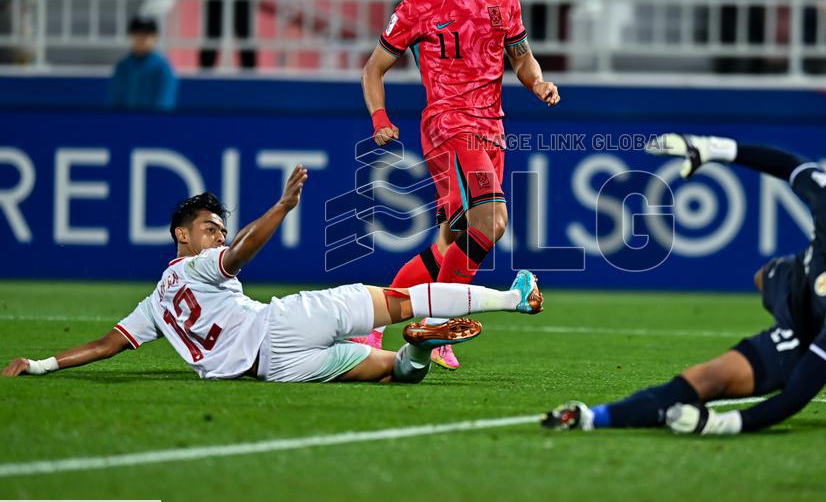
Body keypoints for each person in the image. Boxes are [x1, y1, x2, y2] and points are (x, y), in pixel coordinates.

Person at [2, 166, 544, 383]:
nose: (216, 233)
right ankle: (512, 299)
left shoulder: (154, 307)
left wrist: (41, 364)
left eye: (218, 227)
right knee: (402, 301)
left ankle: (421, 350)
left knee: (392, 371)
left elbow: (104, 345)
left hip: (272, 370)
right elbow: (240, 254)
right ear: (182, 237)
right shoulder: (196, 266)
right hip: (283, 325)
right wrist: (283, 206)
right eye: (207, 227)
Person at [542, 132, 826, 435]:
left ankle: (591, 418)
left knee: (707, 378)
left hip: (805, 335)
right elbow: (790, 165)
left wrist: (726, 424)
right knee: (763, 277)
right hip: (795, 282)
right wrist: (712, 149)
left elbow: (796, 395)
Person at [355, 0, 560, 370]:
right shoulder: (418, 6)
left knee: (454, 240)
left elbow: (522, 57)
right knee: (492, 222)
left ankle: (375, 321)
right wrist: (380, 118)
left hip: (492, 129)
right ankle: (439, 323)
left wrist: (538, 82)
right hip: (449, 127)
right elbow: (373, 70)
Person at [108, 15, 178, 112]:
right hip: (125, 123)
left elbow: (164, 103)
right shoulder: (122, 66)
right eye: (138, 33)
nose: (142, 38)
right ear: (131, 35)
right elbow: (114, 99)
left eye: (147, 34)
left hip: (153, 124)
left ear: (155, 37)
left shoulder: (163, 68)